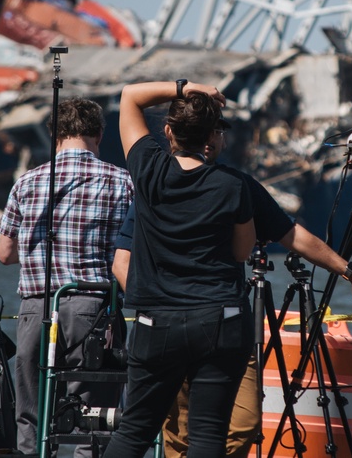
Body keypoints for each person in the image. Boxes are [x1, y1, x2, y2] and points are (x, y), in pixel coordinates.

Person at [111, 116, 352, 458]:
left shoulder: (226, 184)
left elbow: (293, 234)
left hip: (185, 327)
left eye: (219, 131)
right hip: (198, 321)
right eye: (210, 131)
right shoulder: (179, 186)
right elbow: (123, 262)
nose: (214, 139)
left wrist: (350, 271)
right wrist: (162, 299)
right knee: (184, 437)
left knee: (238, 425)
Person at [102, 80, 258, 458]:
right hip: (219, 320)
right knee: (207, 436)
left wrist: (185, 86)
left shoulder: (147, 170)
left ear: (169, 131)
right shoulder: (233, 185)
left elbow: (130, 96)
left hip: (157, 324)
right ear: (212, 137)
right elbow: (242, 252)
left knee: (134, 433)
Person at [0, 97, 134, 457]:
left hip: (36, 309)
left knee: (31, 415)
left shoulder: (27, 182)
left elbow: (5, 253)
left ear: (54, 135)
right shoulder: (123, 182)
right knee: (92, 421)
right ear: (100, 134)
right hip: (95, 311)